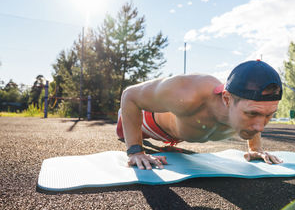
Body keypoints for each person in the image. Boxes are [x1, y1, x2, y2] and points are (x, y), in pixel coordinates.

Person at [117, 60, 283, 170]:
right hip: (149, 122)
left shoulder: (248, 108)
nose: (260, 126)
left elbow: (258, 112)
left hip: (181, 129)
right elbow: (129, 95)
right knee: (124, 130)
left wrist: (256, 148)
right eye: (252, 113)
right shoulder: (188, 93)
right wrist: (135, 151)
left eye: (269, 115)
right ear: (227, 99)